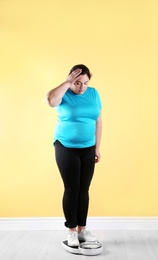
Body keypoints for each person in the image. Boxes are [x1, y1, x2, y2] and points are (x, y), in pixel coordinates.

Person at [46, 64, 102, 247]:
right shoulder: (63, 93)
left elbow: (98, 121)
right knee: (72, 188)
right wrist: (67, 82)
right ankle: (71, 231)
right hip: (66, 146)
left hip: (88, 147)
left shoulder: (93, 93)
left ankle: (82, 230)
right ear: (71, 79)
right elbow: (50, 100)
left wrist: (97, 147)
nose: (82, 87)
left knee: (84, 189)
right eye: (78, 83)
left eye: (85, 83)